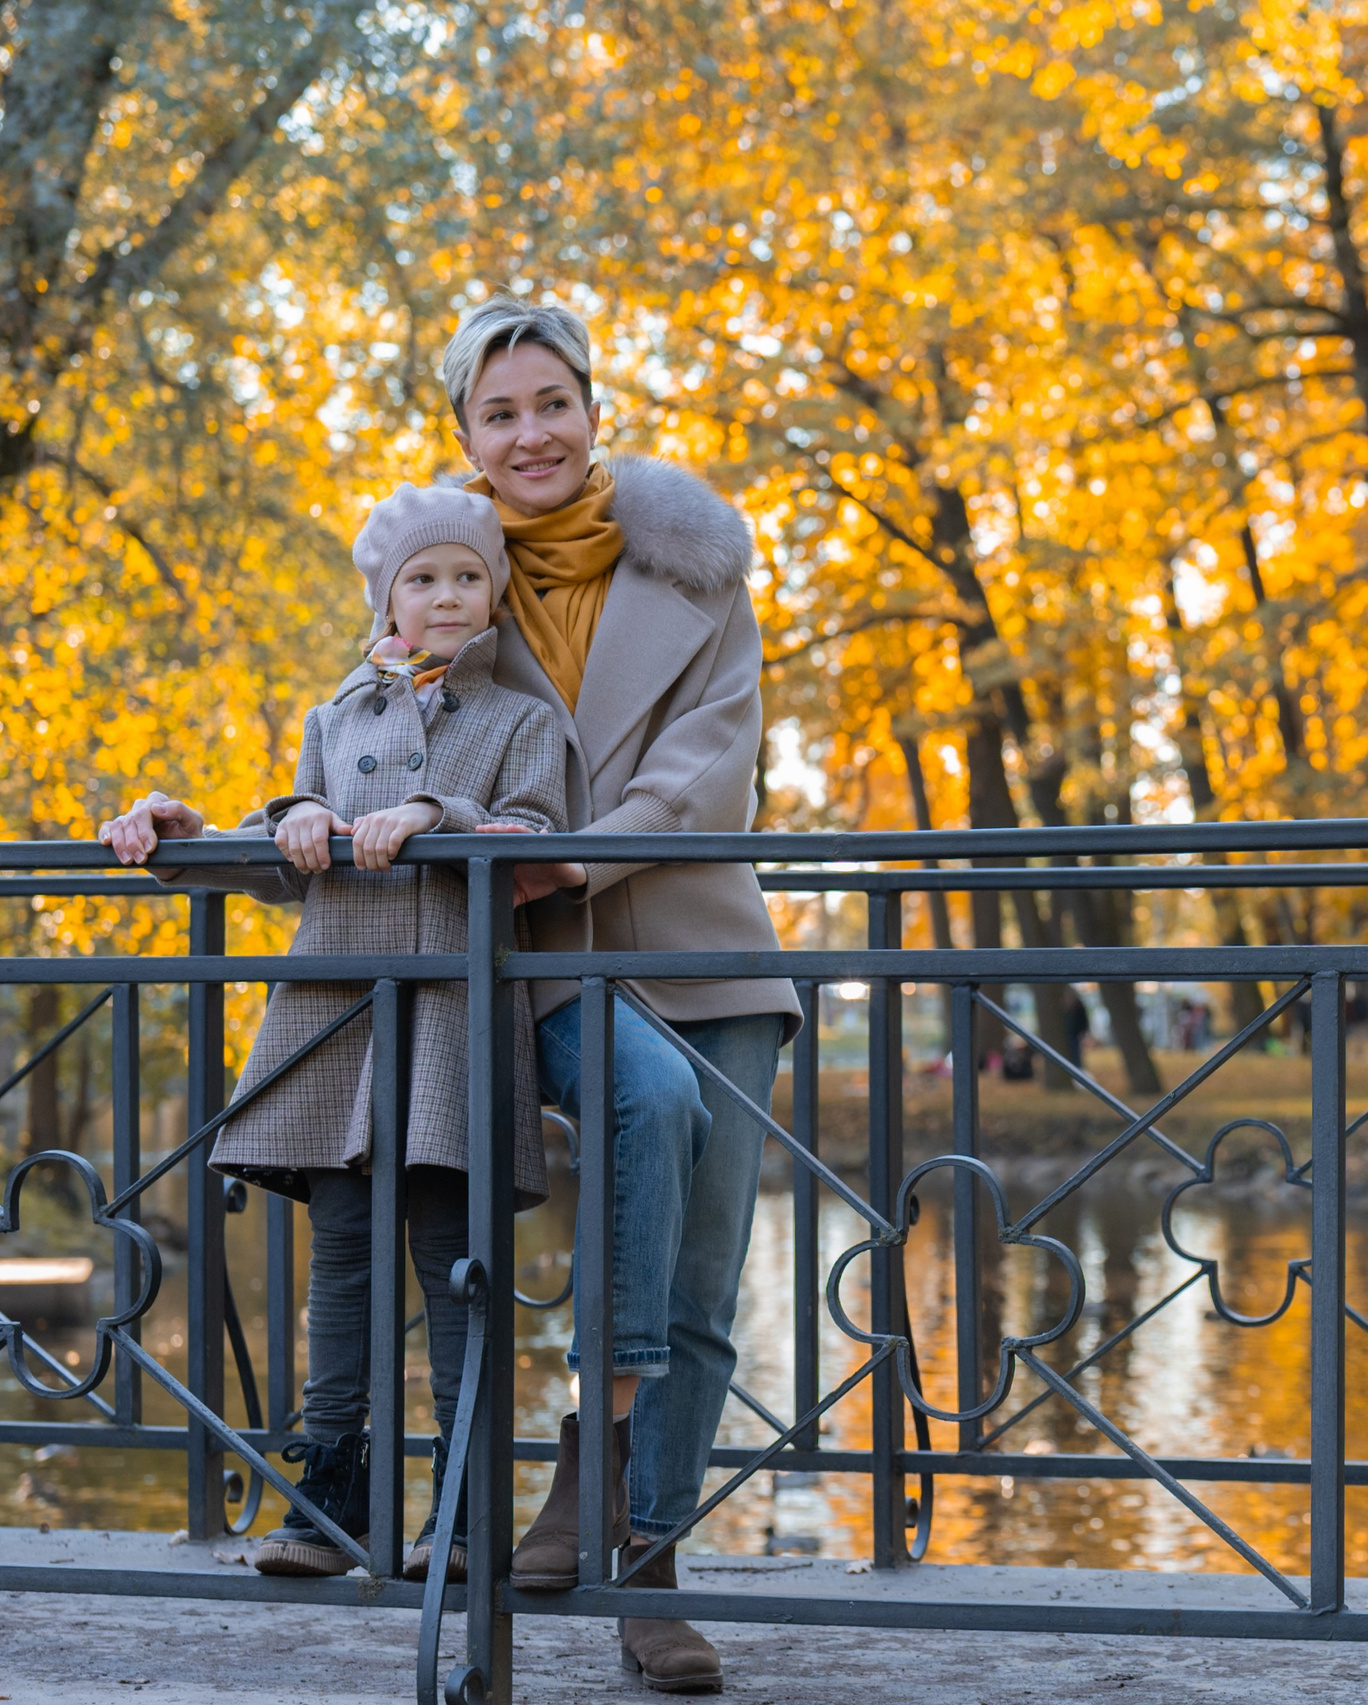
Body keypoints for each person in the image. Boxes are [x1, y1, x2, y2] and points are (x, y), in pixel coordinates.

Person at [99, 485, 573, 1582]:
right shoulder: (336, 716)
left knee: (457, 1270)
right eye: (422, 579)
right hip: (340, 1025)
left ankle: (464, 1513)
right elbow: (280, 858)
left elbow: (546, 837)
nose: (446, 595)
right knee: (342, 1266)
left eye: (466, 576)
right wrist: (224, 829)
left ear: (492, 590)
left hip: (452, 1020)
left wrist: (434, 821)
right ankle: (330, 1500)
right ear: (388, 599)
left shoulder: (520, 719)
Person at [436, 297, 800, 1696]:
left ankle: (645, 1559)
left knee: (702, 1282)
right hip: (530, 970)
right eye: (500, 411)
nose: (530, 433)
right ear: (466, 434)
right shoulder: (440, 569)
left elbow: (713, 767)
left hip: (700, 946)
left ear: (596, 411)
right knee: (499, 1248)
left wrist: (571, 852)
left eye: (551, 404)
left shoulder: (698, 574)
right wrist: (217, 823)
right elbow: (370, 737)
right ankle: (539, 1498)